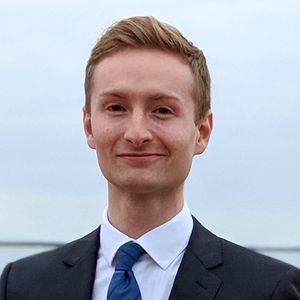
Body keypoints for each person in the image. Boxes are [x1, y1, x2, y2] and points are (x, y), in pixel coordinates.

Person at [1, 16, 299, 300]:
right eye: (117, 108)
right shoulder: (20, 285)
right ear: (89, 126)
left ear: (202, 131)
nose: (137, 133)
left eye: (162, 110)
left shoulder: (269, 289)